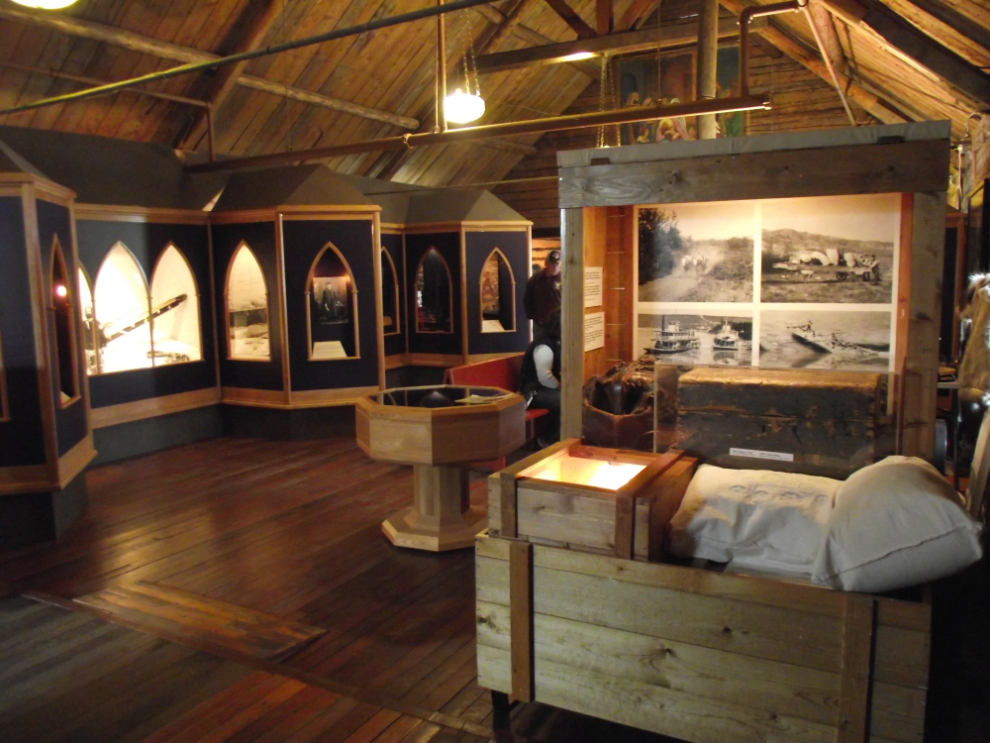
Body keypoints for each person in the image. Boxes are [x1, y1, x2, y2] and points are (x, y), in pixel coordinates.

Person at [520, 310, 561, 446]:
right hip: (534, 392)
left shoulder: (553, 342)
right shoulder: (544, 345)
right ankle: (548, 440)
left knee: (573, 398)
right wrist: (562, 387)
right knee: (567, 401)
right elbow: (544, 377)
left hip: (543, 389)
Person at [523, 249, 561, 341]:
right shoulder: (536, 279)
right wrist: (533, 316)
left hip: (558, 324)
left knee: (558, 350)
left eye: (557, 264)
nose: (555, 267)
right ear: (546, 264)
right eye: (552, 264)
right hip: (540, 324)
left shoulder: (564, 279)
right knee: (539, 349)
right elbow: (527, 299)